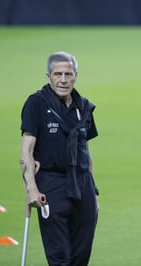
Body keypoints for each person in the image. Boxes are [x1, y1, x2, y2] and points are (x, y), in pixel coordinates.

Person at [20, 51, 99, 266]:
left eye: (68, 74)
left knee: (81, 256)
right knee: (59, 257)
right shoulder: (36, 103)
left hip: (82, 186)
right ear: (48, 76)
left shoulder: (83, 107)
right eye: (58, 74)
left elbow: (86, 150)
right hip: (51, 185)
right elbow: (26, 150)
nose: (63, 80)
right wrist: (31, 188)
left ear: (76, 75)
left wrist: (94, 191)